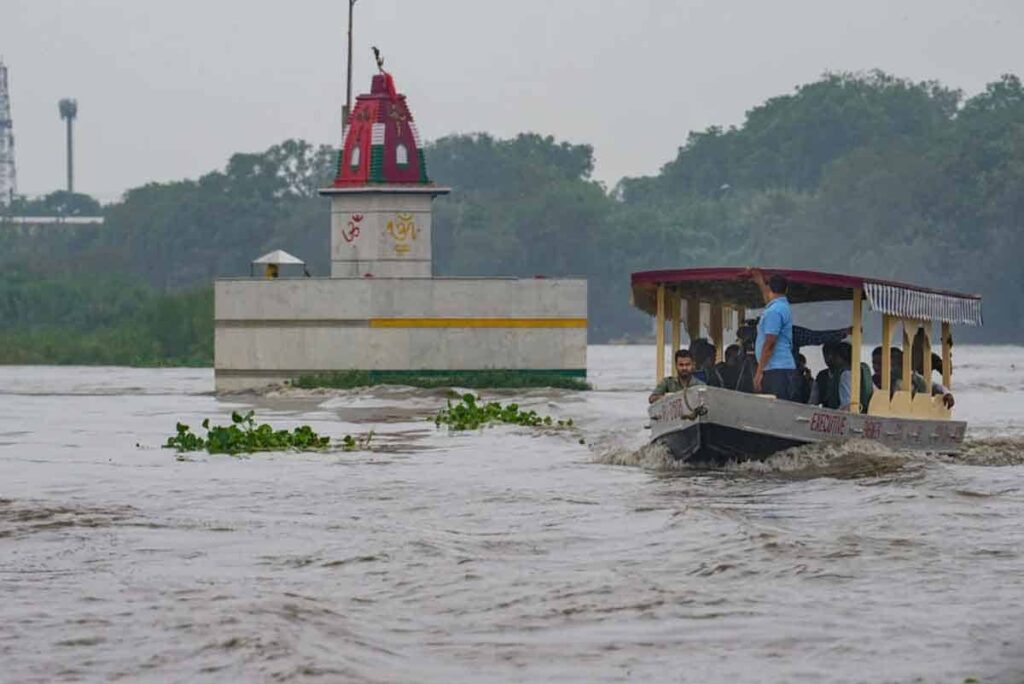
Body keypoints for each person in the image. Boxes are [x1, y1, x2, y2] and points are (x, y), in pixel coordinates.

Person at [750, 269, 798, 400]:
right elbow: (769, 298)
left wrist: (759, 372)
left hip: (777, 371)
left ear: (770, 288)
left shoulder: (774, 311)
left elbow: (770, 343)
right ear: (786, 290)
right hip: (779, 369)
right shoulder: (780, 306)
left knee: (776, 411)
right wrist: (760, 282)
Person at [809, 342, 844, 408]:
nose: (829, 357)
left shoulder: (846, 375)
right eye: (825, 354)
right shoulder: (821, 376)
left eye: (832, 354)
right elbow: (813, 402)